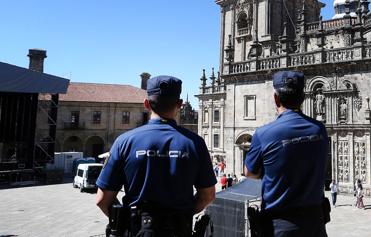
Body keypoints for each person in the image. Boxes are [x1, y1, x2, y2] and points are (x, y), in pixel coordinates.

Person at [95, 75, 217, 236]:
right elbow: (207, 195)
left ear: (146, 104)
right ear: (180, 105)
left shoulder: (124, 142)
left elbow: (102, 200)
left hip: (138, 230)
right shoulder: (195, 143)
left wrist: (128, 221)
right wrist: (184, 214)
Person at [244, 71, 329, 237]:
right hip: (315, 224)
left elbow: (249, 172)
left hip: (279, 226)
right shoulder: (320, 130)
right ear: (303, 98)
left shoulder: (263, 134)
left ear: (276, 99)